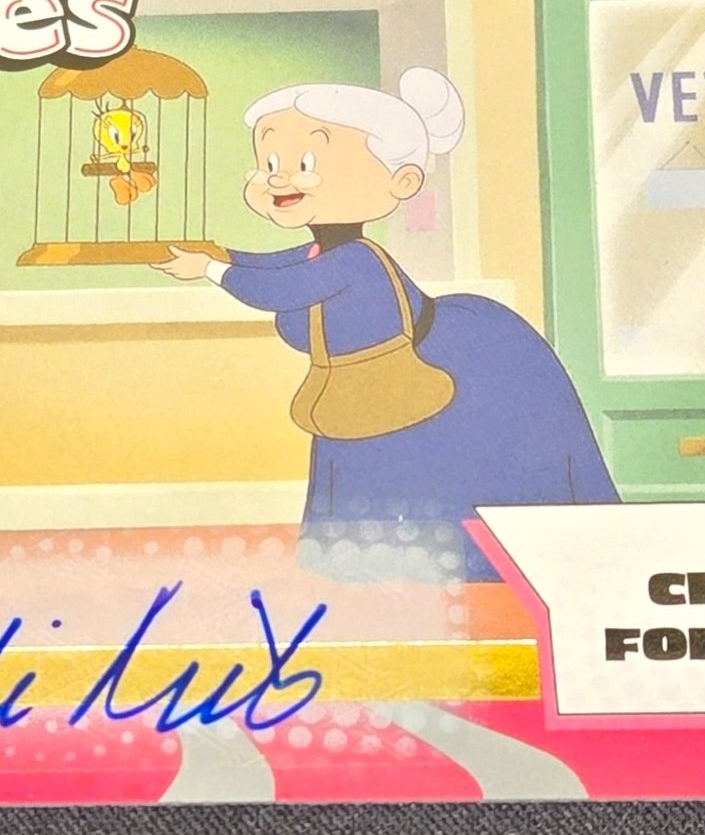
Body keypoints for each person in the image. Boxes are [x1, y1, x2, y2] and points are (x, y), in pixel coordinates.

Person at [154, 69, 617, 582]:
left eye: (305, 164)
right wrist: (222, 254)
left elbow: (281, 289)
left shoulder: (355, 259)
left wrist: (212, 270)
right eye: (269, 164)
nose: (279, 179)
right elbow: (276, 265)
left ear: (402, 182)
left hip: (431, 373)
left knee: (437, 476)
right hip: (358, 388)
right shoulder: (322, 250)